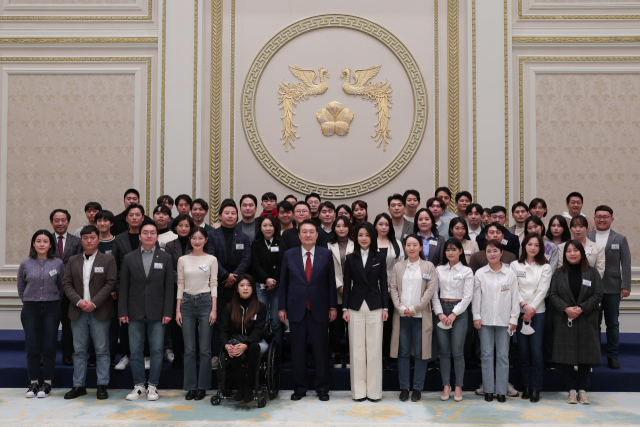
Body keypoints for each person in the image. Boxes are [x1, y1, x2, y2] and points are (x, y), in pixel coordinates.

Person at [278, 219, 337, 401]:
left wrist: (333, 306)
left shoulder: (326, 254)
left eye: (312, 231)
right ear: (299, 235)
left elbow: (331, 283)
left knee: (320, 350)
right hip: (296, 308)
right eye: (304, 232)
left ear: (317, 235)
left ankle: (322, 388)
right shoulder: (289, 254)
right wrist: (281, 307)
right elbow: (284, 283)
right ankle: (300, 387)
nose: (308, 235)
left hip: (319, 308)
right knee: (298, 351)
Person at [119, 222, 174, 401]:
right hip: (134, 312)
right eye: (145, 233)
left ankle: (153, 386)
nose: (149, 235)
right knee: (135, 350)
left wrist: (168, 311)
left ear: (157, 236)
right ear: (140, 236)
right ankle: (138, 385)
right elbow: (123, 287)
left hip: (158, 312)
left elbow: (169, 288)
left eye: (152, 233)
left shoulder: (165, 258)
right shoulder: (129, 258)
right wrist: (122, 310)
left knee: (157, 350)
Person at [62, 225, 117, 400]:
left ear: (98, 239)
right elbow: (67, 284)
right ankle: (79, 386)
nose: (88, 240)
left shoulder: (108, 260)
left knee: (101, 350)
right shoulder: (73, 260)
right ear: (81, 240)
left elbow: (110, 284)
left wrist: (94, 303)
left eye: (92, 237)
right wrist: (79, 301)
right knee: (78, 351)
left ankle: (102, 385)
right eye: (85, 238)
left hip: (99, 311)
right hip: (77, 311)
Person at [548, 240, 603, 405]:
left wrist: (581, 308)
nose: (572, 253)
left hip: (586, 318)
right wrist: (566, 308)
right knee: (567, 356)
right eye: (569, 251)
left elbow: (598, 294)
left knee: (586, 355)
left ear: (582, 253)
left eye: (575, 250)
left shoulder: (592, 272)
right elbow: (553, 295)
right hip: (565, 319)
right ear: (564, 255)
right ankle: (571, 390)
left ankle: (583, 389)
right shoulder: (558, 273)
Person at [342, 222, 389, 402]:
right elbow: (347, 286)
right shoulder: (350, 258)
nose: (363, 238)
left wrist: (386, 307)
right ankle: (359, 392)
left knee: (375, 349)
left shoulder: (380, 257)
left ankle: (375, 392)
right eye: (360, 235)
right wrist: (344, 308)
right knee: (357, 350)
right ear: (355, 237)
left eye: (367, 235)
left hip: (375, 305)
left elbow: (383, 284)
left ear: (373, 237)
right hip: (354, 306)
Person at [389, 234, 437, 402]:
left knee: (420, 354)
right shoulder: (398, 266)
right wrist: (401, 308)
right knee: (402, 353)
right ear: (405, 247)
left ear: (420, 247)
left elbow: (429, 292)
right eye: (408, 245)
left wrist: (415, 308)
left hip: (420, 316)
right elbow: (393, 288)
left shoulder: (428, 266)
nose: (411, 248)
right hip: (401, 315)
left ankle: (417, 388)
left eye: (414, 244)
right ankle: (404, 387)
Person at [18, 230, 65, 398]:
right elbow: (21, 287)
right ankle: (33, 383)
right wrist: (29, 301)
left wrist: (53, 301)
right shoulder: (25, 263)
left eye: (45, 241)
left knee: (49, 345)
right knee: (32, 345)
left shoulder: (58, 263)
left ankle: (47, 383)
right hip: (30, 308)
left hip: (52, 308)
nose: (42, 244)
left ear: (50, 244)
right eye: (38, 241)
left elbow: (62, 286)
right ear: (33, 244)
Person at [473, 240, 519, 403]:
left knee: (502, 356)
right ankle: (489, 390)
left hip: (505, 321)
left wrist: (514, 318)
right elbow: (476, 297)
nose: (491, 254)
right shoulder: (480, 273)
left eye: (495, 251)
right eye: (488, 251)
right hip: (484, 320)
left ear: (501, 253)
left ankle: (501, 390)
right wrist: (476, 316)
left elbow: (515, 298)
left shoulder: (510, 273)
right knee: (486, 355)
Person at [207, 199, 251, 365]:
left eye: (233, 213)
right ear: (220, 216)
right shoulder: (211, 235)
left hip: (237, 287)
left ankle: (236, 353)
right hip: (217, 285)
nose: (230, 216)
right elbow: (211, 258)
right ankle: (215, 354)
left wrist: (234, 277)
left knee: (236, 320)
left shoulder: (244, 237)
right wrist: (225, 276)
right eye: (227, 213)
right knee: (217, 321)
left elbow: (246, 259)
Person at [587, 205, 632, 370]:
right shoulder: (588, 237)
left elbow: (626, 264)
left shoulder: (620, 238)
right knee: (594, 324)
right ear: (594, 218)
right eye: (599, 216)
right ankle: (594, 355)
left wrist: (626, 285)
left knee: (612, 323)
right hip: (591, 289)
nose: (602, 219)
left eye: (605, 216)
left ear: (611, 219)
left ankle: (613, 356)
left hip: (613, 288)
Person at [176, 226, 218, 401]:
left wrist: (214, 309)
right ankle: (191, 387)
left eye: (200, 238)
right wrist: (177, 309)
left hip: (205, 302)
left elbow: (214, 283)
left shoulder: (211, 259)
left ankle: (203, 387)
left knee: (205, 349)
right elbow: (180, 284)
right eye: (194, 238)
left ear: (206, 240)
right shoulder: (182, 259)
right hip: (186, 303)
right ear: (190, 240)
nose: (197, 241)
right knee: (189, 349)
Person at [511, 233, 552, 403]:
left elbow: (543, 291)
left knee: (536, 351)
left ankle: (536, 387)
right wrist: (523, 306)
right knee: (523, 351)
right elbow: (514, 289)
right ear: (524, 246)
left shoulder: (545, 267)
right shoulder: (515, 265)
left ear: (540, 247)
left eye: (536, 245)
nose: (533, 248)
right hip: (520, 312)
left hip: (538, 313)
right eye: (530, 244)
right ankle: (526, 386)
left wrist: (531, 308)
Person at [433, 238, 473, 402]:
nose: (450, 252)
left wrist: (454, 314)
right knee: (444, 352)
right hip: (442, 308)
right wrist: (440, 314)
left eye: (454, 249)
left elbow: (468, 296)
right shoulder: (439, 269)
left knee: (457, 352)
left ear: (460, 251)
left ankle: (458, 386)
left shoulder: (467, 271)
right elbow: (433, 293)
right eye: (448, 250)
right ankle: (446, 385)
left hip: (460, 312)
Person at [220, 274, 268, 403]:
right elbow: (224, 329)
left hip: (256, 342)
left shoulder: (260, 307)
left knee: (253, 347)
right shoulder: (229, 307)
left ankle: (248, 388)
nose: (245, 288)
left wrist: (246, 344)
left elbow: (258, 331)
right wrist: (226, 345)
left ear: (253, 288)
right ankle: (240, 387)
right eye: (242, 285)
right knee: (233, 346)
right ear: (237, 288)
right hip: (236, 341)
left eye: (249, 285)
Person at [112, 203, 146, 370]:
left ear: (143, 218)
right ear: (126, 218)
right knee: (125, 322)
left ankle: (145, 355)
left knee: (146, 321)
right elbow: (115, 266)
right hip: (125, 288)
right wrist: (116, 288)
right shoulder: (119, 239)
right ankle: (126, 355)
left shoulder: (148, 237)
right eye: (131, 215)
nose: (134, 217)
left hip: (145, 288)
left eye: (137, 215)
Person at [51, 208, 83, 367]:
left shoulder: (76, 241)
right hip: (50, 291)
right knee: (48, 326)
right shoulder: (45, 240)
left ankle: (67, 355)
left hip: (70, 292)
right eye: (57, 220)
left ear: (68, 222)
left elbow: (78, 265)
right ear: (52, 222)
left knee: (68, 326)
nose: (60, 223)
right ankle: (45, 356)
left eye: (63, 220)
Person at [373, 213, 405, 371]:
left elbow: (400, 268)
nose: (384, 227)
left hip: (393, 290)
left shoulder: (397, 243)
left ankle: (387, 356)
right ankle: (375, 356)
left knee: (389, 325)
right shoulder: (370, 243)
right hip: (373, 290)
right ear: (375, 226)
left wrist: (391, 286)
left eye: (386, 224)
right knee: (375, 324)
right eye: (380, 224)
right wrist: (378, 284)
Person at [164, 214, 196, 369]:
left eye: (187, 226)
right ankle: (177, 355)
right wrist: (183, 281)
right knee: (176, 325)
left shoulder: (197, 243)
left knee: (193, 322)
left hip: (195, 289)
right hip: (175, 289)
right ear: (175, 227)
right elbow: (169, 269)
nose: (183, 228)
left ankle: (192, 355)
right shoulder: (170, 245)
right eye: (180, 225)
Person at [251, 214, 283, 347]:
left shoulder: (281, 243)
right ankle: (263, 352)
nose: (268, 228)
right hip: (260, 286)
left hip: (277, 286)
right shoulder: (256, 243)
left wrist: (273, 280)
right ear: (260, 228)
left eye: (271, 225)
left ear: (275, 227)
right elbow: (255, 264)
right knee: (262, 321)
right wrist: (266, 279)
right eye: (265, 225)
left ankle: (277, 353)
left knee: (276, 322)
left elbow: (282, 263)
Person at [542, 215, 570, 370]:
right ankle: (548, 357)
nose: (556, 228)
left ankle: (564, 357)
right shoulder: (544, 244)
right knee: (548, 325)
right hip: (546, 290)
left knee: (562, 325)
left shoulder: (569, 245)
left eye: (559, 225)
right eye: (553, 225)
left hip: (564, 289)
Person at [328, 216, 354, 369]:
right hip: (335, 289)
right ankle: (337, 354)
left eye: (344, 226)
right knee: (336, 325)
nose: (341, 229)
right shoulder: (328, 245)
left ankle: (351, 354)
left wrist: (349, 287)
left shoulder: (356, 244)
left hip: (353, 289)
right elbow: (330, 269)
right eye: (338, 226)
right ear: (334, 228)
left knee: (351, 324)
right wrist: (339, 286)